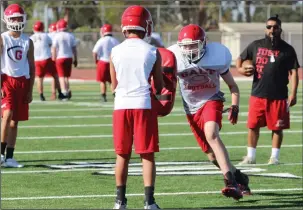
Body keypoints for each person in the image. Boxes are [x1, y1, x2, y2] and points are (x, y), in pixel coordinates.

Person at [168, 24, 251, 200]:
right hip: (191, 107)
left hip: (211, 99)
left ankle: (231, 183)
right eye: (186, 46)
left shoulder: (216, 56)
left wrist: (235, 105)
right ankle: (240, 177)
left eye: (193, 45)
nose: (189, 50)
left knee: (211, 134)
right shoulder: (175, 57)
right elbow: (164, 85)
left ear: (204, 43)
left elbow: (233, 86)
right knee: (212, 155)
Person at [110, 5, 163, 209]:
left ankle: (119, 201)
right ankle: (149, 202)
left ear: (125, 26)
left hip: (121, 105)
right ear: (145, 25)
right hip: (143, 104)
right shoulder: (152, 50)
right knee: (147, 154)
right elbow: (158, 86)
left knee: (122, 154)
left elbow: (114, 86)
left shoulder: (114, 51)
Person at [237, 15, 300, 165]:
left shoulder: (287, 49)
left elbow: (294, 72)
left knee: (277, 128)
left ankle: (274, 158)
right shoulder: (256, 45)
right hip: (258, 93)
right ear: (266, 28)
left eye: (275, 27)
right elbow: (240, 58)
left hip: (278, 95)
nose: (272, 29)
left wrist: (293, 93)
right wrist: (240, 69)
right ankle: (251, 157)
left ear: (280, 29)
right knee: (253, 126)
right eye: (269, 27)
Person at [0, 4, 35, 167]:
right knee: (7, 115)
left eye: (19, 18)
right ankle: (0, 154)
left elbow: (31, 65)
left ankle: (10, 157)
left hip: (23, 81)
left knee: (15, 121)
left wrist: (30, 89)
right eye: (13, 18)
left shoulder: (28, 41)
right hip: (6, 79)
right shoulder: (3, 38)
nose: (16, 21)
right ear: (7, 19)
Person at [30, 21, 64, 101]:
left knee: (40, 78)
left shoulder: (31, 37)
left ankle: (41, 95)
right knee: (55, 76)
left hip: (37, 60)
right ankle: (60, 93)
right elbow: (50, 44)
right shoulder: (46, 36)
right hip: (46, 58)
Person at [92, 24, 120, 102]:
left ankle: (103, 96)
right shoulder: (115, 40)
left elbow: (94, 52)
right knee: (112, 80)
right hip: (113, 63)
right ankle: (114, 94)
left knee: (102, 81)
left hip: (103, 62)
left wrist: (96, 61)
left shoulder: (101, 40)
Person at [51, 19, 78, 100]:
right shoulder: (71, 35)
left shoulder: (57, 36)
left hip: (60, 57)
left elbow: (54, 48)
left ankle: (64, 92)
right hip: (69, 57)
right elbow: (74, 49)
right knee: (66, 76)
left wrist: (54, 58)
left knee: (61, 76)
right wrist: (75, 58)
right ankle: (67, 89)